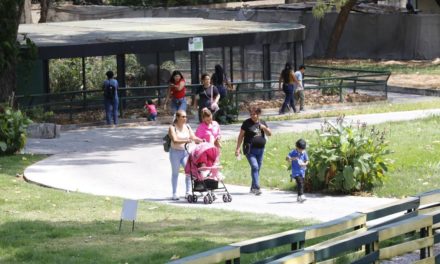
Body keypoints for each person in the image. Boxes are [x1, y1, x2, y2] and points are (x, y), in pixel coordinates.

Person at [235, 106, 272, 195]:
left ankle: (253, 188)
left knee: (257, 169)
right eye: (251, 114)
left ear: (258, 114)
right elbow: (240, 136)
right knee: (255, 167)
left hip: (261, 150)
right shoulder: (246, 123)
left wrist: (264, 128)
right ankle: (257, 187)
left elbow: (270, 134)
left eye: (254, 114)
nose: (252, 116)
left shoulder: (262, 122)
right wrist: (238, 148)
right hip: (249, 149)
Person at [168, 110, 203, 200]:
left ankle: (188, 192)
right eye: (183, 117)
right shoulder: (172, 127)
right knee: (175, 173)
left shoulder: (187, 126)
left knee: (189, 172)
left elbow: (193, 137)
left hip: (185, 153)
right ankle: (174, 193)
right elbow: (175, 140)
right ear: (178, 117)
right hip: (175, 153)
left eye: (185, 116)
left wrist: (201, 140)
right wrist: (186, 141)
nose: (185, 118)